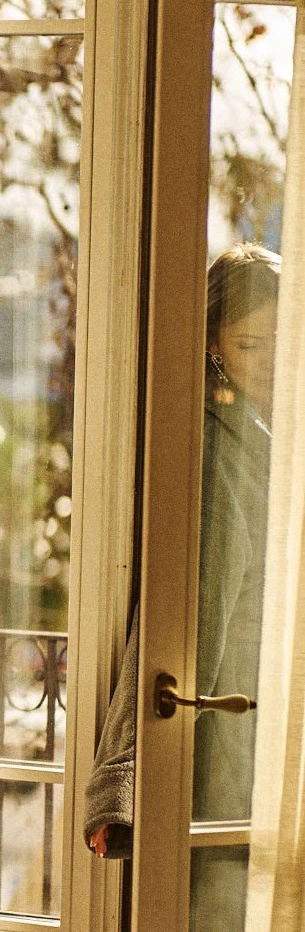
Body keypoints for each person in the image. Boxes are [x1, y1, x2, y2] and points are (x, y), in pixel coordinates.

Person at [194, 242, 280, 825]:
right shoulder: (217, 448)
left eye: (284, 340)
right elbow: (203, 614)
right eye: (251, 344)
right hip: (234, 736)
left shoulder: (273, 431)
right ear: (213, 344)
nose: (272, 361)